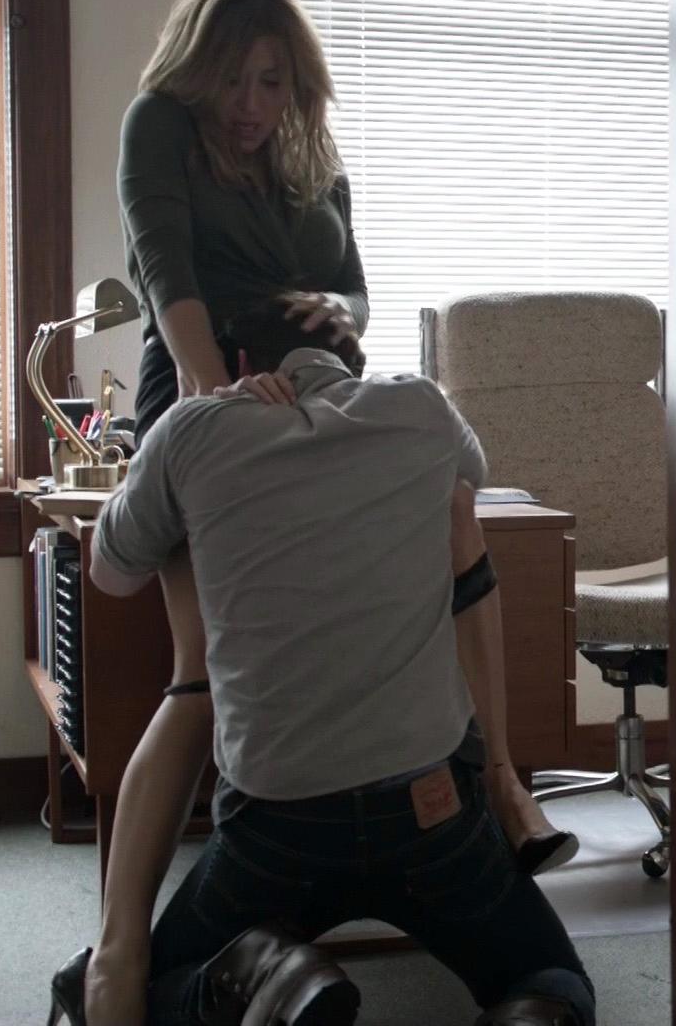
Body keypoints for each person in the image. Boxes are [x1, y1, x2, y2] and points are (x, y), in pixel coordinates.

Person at [80, 0, 573, 1022]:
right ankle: (122, 945)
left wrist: (340, 314)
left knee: (453, 515)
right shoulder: (158, 127)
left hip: (318, 383)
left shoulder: (312, 150)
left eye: (272, 82)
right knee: (199, 673)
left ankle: (492, 777)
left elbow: (355, 286)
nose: (252, 105)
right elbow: (168, 275)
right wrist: (216, 405)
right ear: (198, 72)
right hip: (212, 381)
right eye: (234, 81)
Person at [59, 302, 597, 1026]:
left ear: (241, 366)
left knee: (148, 983)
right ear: (353, 361)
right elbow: (469, 477)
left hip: (277, 823)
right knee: (551, 976)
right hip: (429, 809)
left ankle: (264, 976)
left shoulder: (191, 430)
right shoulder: (422, 407)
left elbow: (111, 572)